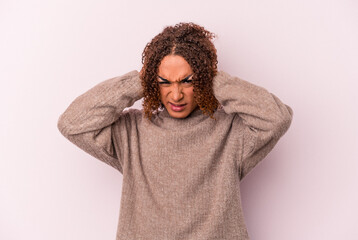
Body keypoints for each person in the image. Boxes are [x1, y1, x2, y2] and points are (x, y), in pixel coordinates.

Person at [57, 22, 293, 240]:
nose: (176, 94)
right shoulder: (132, 133)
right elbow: (72, 123)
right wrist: (140, 80)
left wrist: (213, 79)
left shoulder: (232, 132)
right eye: (164, 82)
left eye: (187, 81)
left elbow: (276, 118)